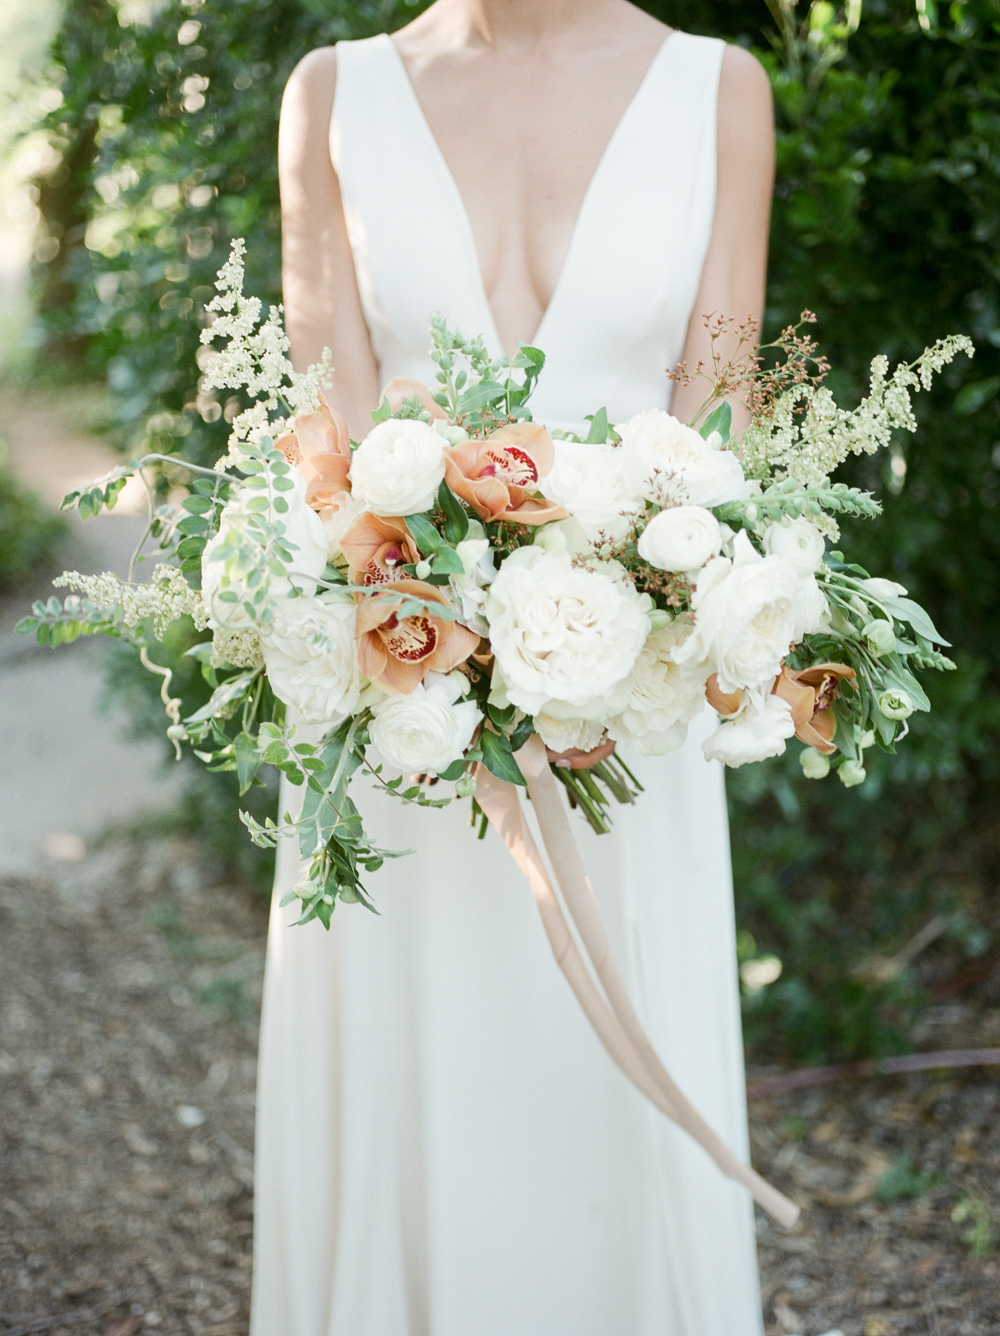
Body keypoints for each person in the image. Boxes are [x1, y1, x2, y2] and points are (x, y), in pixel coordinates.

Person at [251, 2, 775, 1333]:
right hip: (404, 697)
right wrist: (440, 642)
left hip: (627, 710)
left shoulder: (718, 93)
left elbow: (723, 439)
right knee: (418, 1074)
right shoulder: (333, 96)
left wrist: (629, 633)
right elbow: (327, 436)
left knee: (600, 1107)